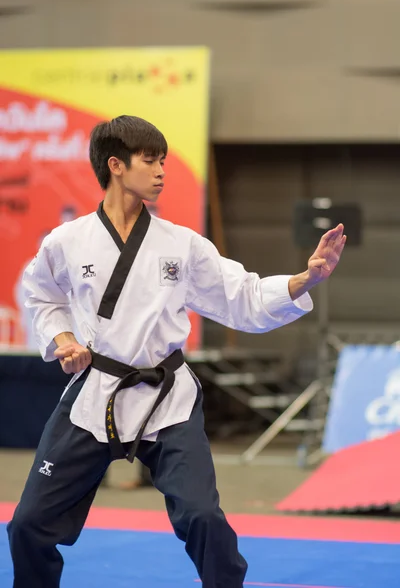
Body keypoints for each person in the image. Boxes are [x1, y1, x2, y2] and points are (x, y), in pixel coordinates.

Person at [7, 115, 346, 588]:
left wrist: (303, 279)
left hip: (165, 397)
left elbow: (242, 297)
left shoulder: (182, 245)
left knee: (203, 517)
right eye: (151, 160)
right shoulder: (67, 242)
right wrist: (62, 338)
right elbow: (42, 297)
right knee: (28, 526)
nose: (162, 170)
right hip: (95, 393)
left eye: (164, 159)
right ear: (116, 166)